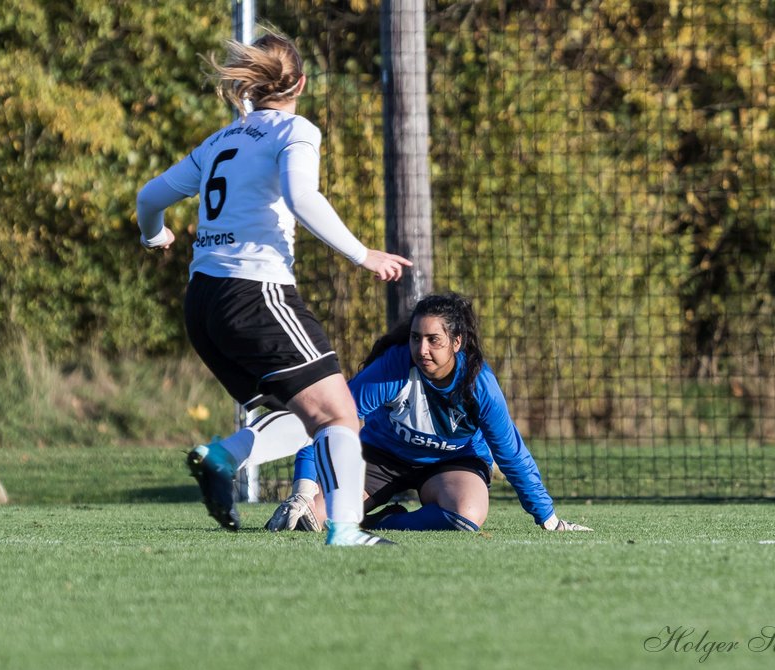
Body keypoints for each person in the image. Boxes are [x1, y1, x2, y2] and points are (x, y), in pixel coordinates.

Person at [136, 30, 411, 546]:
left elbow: (149, 195)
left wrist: (155, 235)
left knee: (298, 412)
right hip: (255, 291)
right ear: (300, 84)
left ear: (250, 87)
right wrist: (363, 254)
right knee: (339, 414)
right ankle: (346, 529)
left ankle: (224, 456)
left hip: (203, 303)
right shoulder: (296, 131)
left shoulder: (219, 141)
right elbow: (302, 197)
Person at [266, 293, 592, 534]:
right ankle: (347, 513)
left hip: (451, 465)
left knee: (467, 515)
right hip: (381, 458)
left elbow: (511, 453)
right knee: (311, 521)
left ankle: (386, 523)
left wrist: (548, 519)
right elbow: (327, 422)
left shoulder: (479, 385)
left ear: (457, 342)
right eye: (416, 338)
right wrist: (304, 491)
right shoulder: (392, 368)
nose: (422, 350)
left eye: (434, 340)